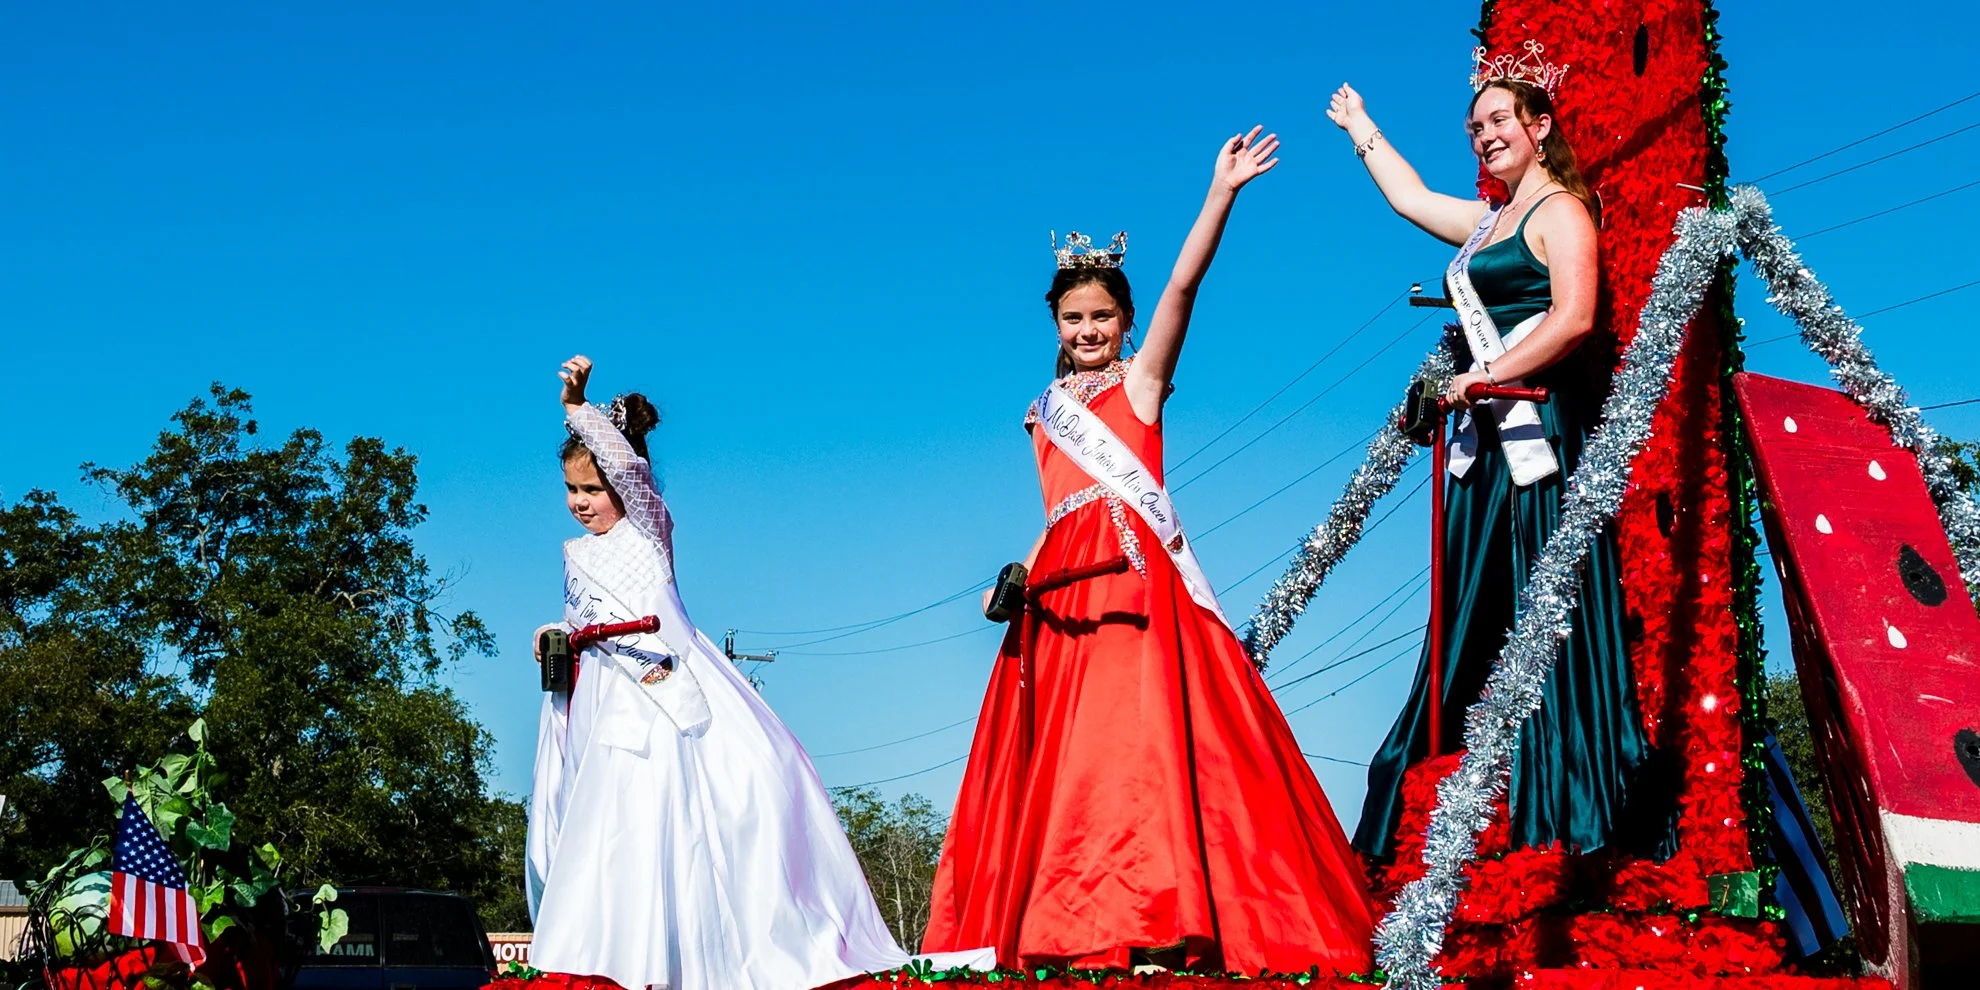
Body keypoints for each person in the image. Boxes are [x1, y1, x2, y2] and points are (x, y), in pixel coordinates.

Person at [921, 128, 1375, 976]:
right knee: (1069, 758)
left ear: (1125, 322)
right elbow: (1056, 511)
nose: (1089, 328)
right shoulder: (1041, 411)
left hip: (1133, 581)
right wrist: (1013, 578)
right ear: (1055, 324)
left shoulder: (1141, 385)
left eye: (1103, 316)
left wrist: (1221, 194)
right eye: (1074, 317)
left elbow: (1183, 286)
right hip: (1061, 589)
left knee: (1138, 741)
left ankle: (1156, 918)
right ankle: (1063, 928)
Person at [525, 356, 986, 990]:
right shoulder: (575, 552)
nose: (580, 503)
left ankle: (685, 958)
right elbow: (584, 617)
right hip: (603, 697)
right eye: (571, 491)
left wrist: (577, 409)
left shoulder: (650, 525)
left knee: (674, 812)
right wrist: (553, 634)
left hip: (664, 689)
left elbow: (628, 471)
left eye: (592, 489)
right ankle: (614, 953)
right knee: (611, 825)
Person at [1325, 68, 1663, 860]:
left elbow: (1574, 318)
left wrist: (1485, 376)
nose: (1485, 136)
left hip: (1538, 438)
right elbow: (1410, 200)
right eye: (1475, 127)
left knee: (1542, 604)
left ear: (1540, 127)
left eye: (1500, 120)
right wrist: (1360, 126)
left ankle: (1568, 805)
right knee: (1471, 608)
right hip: (1484, 449)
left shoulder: (1563, 211)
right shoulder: (1488, 223)